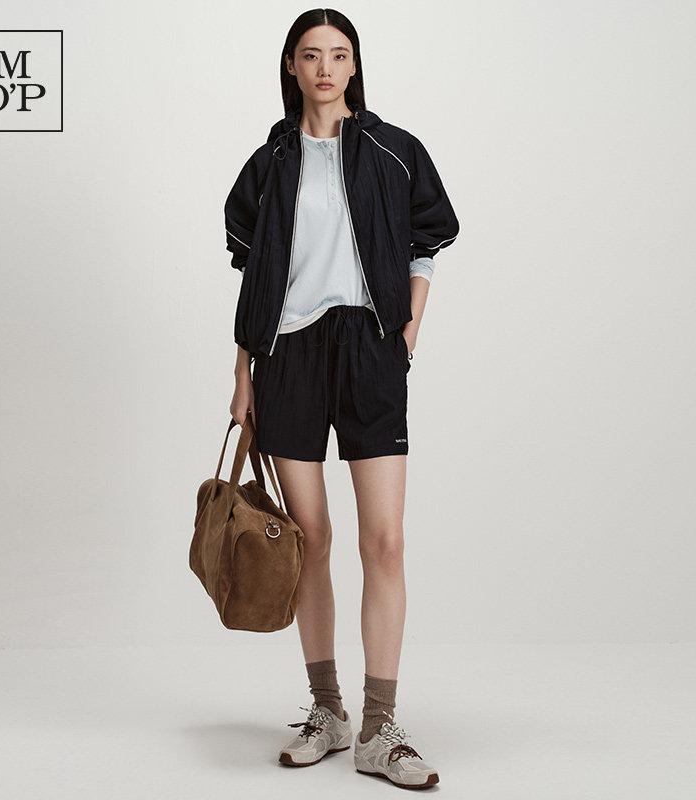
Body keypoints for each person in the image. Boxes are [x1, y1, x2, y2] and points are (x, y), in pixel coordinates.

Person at [225, 8, 459, 790]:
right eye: (310, 55)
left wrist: (408, 328)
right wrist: (243, 371)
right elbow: (254, 273)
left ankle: (380, 727)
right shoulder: (269, 163)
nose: (325, 67)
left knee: (384, 541)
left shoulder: (395, 150)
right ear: (291, 67)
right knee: (311, 540)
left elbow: (427, 240)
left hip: (370, 349)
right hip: (286, 355)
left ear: (354, 65)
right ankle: (327, 711)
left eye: (338, 53)